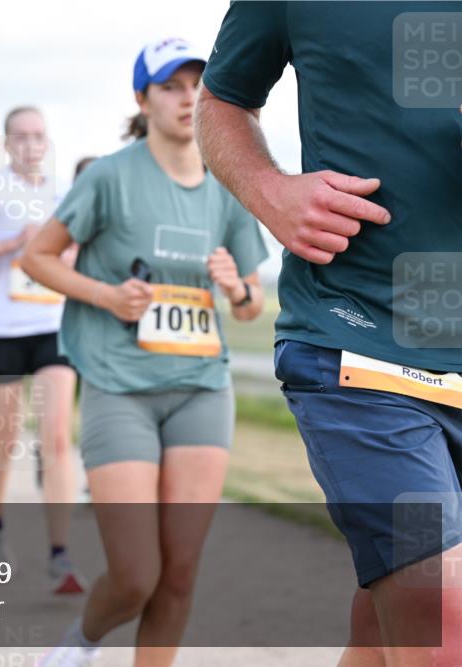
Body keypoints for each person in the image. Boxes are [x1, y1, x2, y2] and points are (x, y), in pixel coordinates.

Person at [196, 3, 462, 665]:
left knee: (380, 632)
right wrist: (269, 190)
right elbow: (222, 100)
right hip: (361, 349)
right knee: (442, 620)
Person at [22, 38, 268, 666]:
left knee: (179, 574)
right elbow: (36, 258)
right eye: (171, 87)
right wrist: (107, 296)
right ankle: (81, 643)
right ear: (143, 98)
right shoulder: (110, 176)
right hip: (119, 386)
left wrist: (236, 286)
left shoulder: (226, 183)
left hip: (201, 391)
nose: (187, 99)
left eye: (196, 85)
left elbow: (248, 306)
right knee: (135, 576)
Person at [0, 106, 82, 594]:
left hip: (51, 325)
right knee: (5, 438)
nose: (30, 144)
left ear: (47, 143)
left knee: (58, 439)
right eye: (21, 137)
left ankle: (60, 555)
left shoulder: (63, 196)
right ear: (7, 144)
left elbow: (75, 254)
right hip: (0, 329)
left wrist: (62, 253)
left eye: (38, 136)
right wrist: (10, 244)